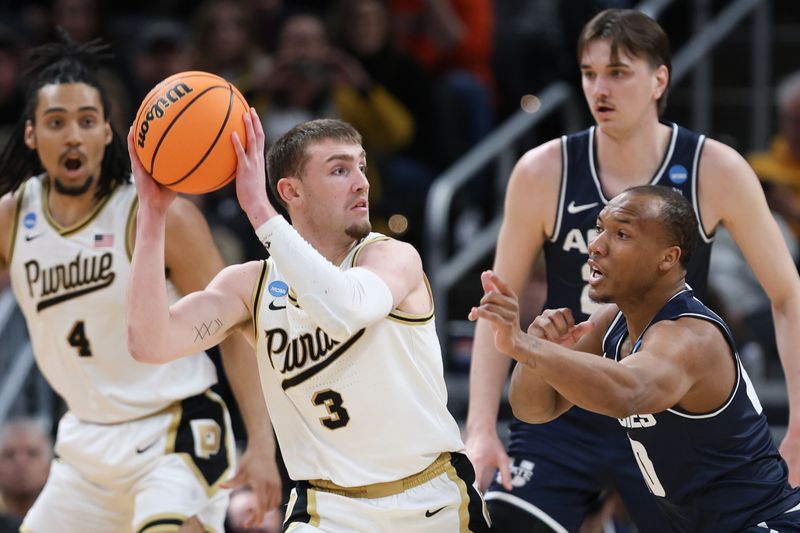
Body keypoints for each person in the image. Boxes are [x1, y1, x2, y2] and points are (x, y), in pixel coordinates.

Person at [466, 8, 800, 533]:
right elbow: (498, 309)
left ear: (658, 79)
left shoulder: (715, 167)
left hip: (666, 398)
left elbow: (787, 295)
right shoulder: (543, 171)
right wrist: (482, 425)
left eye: (618, 72)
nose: (600, 88)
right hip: (575, 391)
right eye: (588, 72)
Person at [126, 113, 491, 532]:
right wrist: (153, 217)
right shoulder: (251, 286)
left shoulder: (390, 257)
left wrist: (260, 211)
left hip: (430, 502)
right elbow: (150, 344)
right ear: (290, 191)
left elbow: (345, 310)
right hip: (328, 510)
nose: (361, 182)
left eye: (361, 166)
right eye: (340, 169)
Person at [0, 35, 281, 532]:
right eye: (56, 122)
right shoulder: (12, 219)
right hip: (82, 444)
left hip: (172, 433)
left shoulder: (160, 217)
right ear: (29, 135)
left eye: (87, 121)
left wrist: (261, 442)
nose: (73, 136)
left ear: (108, 133)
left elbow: (239, 328)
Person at [470, 185, 800, 533]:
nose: (596, 245)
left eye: (622, 234)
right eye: (600, 229)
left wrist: (527, 348)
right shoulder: (611, 322)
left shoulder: (689, 337)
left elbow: (628, 393)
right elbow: (537, 409)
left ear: (668, 258)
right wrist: (536, 352)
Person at [0, 418, 51, 531]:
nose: (21, 461)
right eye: (9, 454)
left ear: (49, 468)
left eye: (32, 453)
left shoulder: (68, 521)